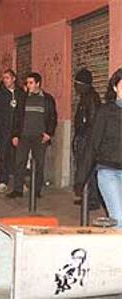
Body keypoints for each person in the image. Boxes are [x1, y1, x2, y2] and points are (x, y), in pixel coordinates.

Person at [74, 68, 122, 228]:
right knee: (119, 219)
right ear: (115, 87)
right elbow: (92, 144)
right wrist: (81, 178)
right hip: (109, 172)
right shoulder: (105, 111)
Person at [7, 72, 58, 198]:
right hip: (24, 136)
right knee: (19, 162)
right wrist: (15, 135)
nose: (28, 85)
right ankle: (18, 189)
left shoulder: (47, 99)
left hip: (39, 137)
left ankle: (36, 190)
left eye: (31, 83)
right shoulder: (23, 98)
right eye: (27, 83)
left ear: (38, 84)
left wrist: (49, 133)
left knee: (39, 163)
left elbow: (53, 117)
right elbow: (17, 118)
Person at [0, 70, 25, 193]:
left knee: (18, 156)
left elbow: (22, 112)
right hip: (4, 128)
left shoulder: (20, 93)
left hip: (18, 129)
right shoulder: (0, 94)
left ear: (14, 79)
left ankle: (19, 181)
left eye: (7, 77)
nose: (5, 80)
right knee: (4, 154)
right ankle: (3, 181)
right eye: (3, 78)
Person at [72, 68, 103, 210]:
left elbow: (93, 121)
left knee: (88, 169)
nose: (75, 87)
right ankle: (86, 196)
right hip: (83, 136)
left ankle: (92, 199)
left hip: (87, 138)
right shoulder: (85, 97)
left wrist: (86, 137)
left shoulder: (92, 98)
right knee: (83, 167)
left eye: (77, 84)